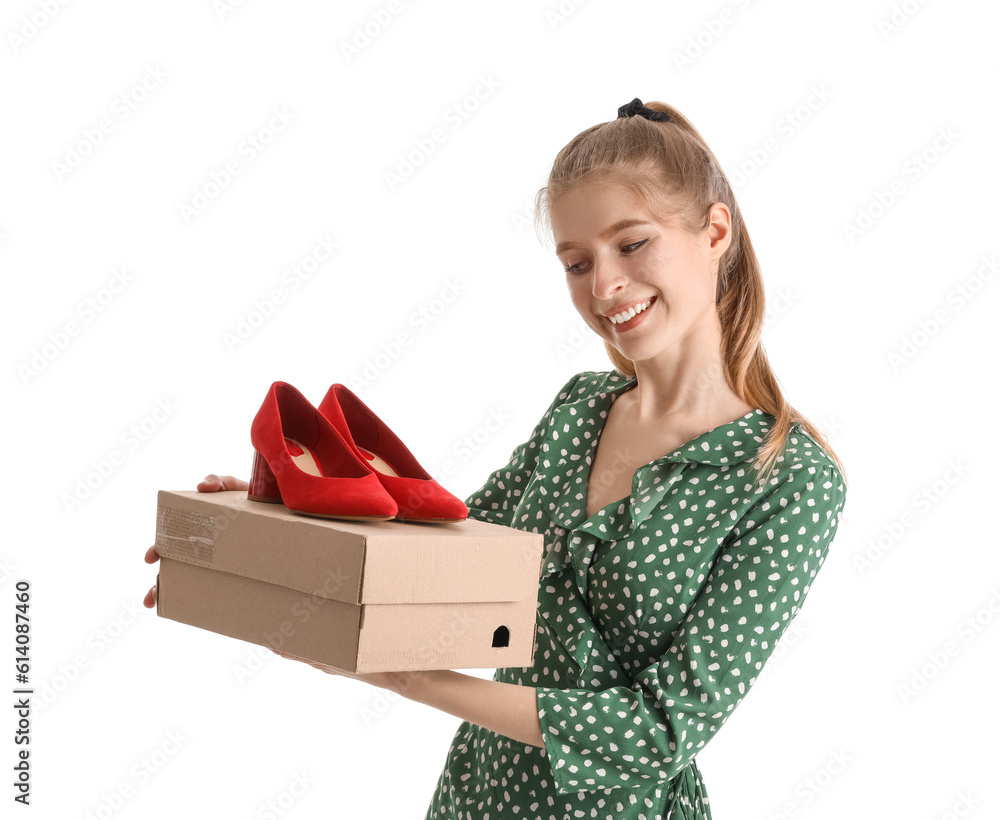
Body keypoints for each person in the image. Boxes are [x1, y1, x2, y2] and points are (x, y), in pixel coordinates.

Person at [143, 97, 849, 820]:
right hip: (476, 799)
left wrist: (409, 680)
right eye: (577, 263)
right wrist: (284, 523)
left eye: (631, 245)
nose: (603, 286)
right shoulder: (580, 409)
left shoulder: (789, 480)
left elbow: (659, 730)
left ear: (715, 232)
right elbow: (453, 554)